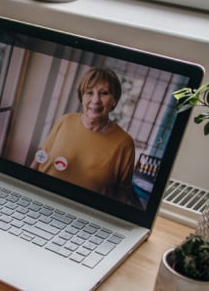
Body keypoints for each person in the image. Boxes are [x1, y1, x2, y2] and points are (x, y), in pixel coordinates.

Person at [30, 67, 136, 201]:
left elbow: (122, 193)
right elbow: (39, 158)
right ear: (82, 97)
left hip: (84, 210)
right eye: (89, 92)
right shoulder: (66, 120)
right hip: (39, 196)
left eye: (104, 93)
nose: (95, 100)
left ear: (114, 100)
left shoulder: (124, 143)